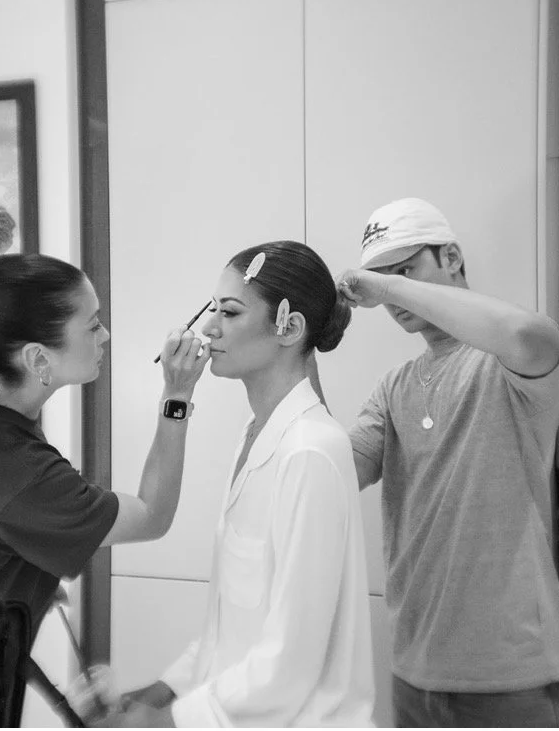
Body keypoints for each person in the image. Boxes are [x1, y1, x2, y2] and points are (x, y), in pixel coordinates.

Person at [0, 253, 208, 639]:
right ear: (38, 357)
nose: (105, 335)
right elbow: (151, 516)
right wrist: (177, 395)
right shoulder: (18, 472)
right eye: (93, 325)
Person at [337, 198, 559, 727]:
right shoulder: (395, 386)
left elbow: (521, 334)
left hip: (515, 677)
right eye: (383, 277)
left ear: (451, 257)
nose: (392, 292)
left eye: (406, 269)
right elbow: (333, 472)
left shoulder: (514, 360)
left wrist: (384, 286)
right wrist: (300, 347)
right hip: (414, 675)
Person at [106, 240, 375, 728]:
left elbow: (290, 662)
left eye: (229, 312)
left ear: (289, 328)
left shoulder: (310, 451)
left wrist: (162, 722)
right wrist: (162, 691)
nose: (208, 328)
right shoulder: (255, 435)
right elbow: (232, 626)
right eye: (212, 310)